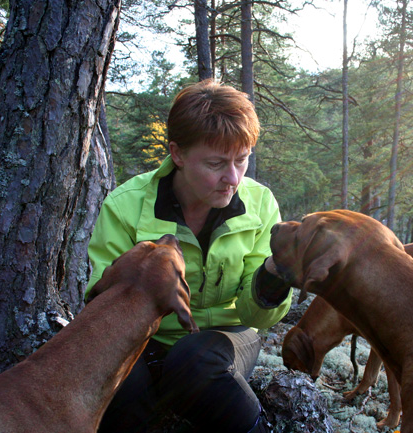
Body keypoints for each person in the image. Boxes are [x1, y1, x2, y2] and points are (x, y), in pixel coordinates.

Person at [85, 79, 292, 433]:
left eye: (241, 160)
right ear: (177, 154)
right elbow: (102, 304)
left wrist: (274, 274)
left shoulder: (260, 204)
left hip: (228, 338)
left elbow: (254, 314)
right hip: (142, 340)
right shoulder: (126, 206)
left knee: (194, 362)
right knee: (120, 385)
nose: (232, 178)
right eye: (215, 164)